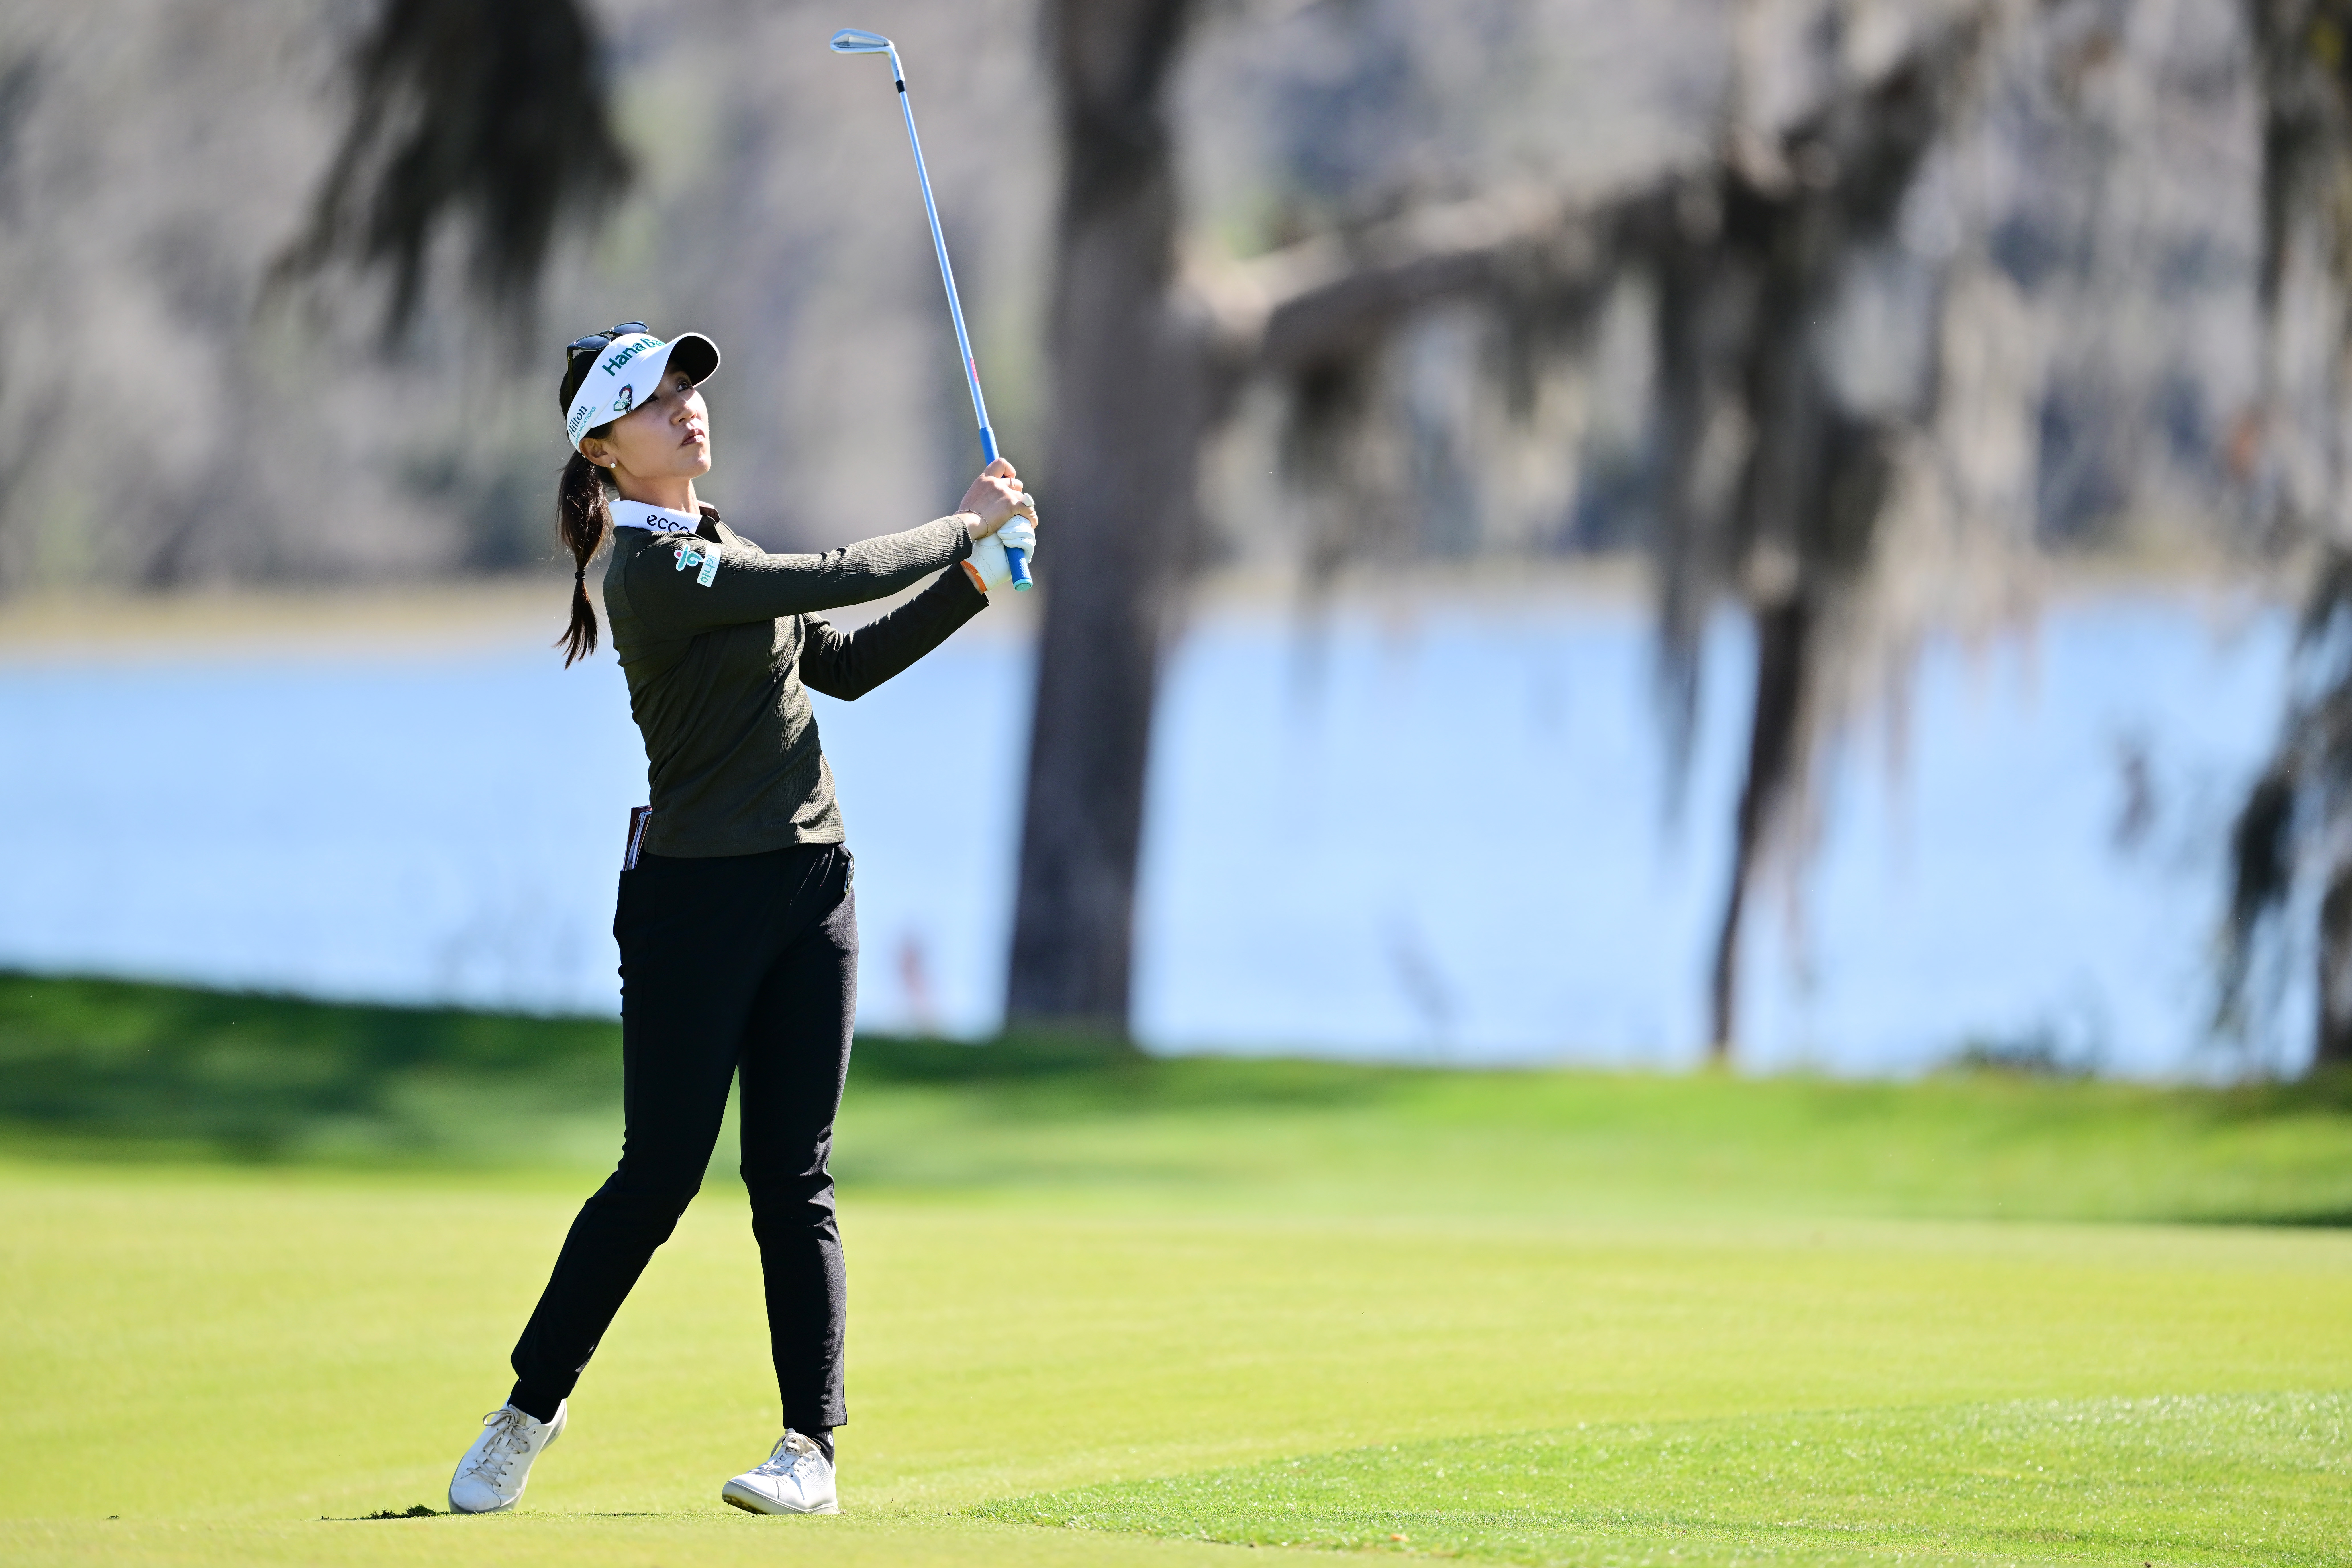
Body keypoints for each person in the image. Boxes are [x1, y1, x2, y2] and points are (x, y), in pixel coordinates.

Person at [444, 323, 1038, 1518]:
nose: (688, 409)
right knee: (657, 1174)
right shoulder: (653, 574)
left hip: (812, 889)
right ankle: (530, 1407)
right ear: (605, 450)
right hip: (692, 905)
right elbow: (837, 574)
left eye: (688, 390)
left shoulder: (721, 547)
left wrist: (974, 583)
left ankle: (809, 1448)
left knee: (792, 1178)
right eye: (656, 402)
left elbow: (848, 662)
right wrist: (965, 521)